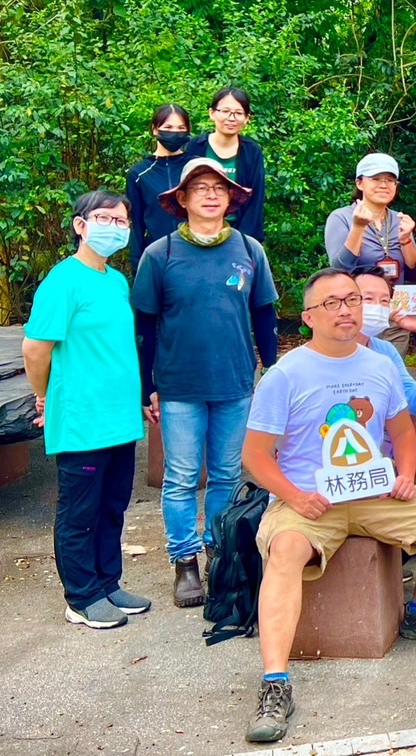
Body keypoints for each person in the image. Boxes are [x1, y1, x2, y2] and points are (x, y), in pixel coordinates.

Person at [242, 269, 416, 745]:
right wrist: (294, 496)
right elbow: (255, 456)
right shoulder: (285, 375)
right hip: (309, 497)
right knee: (284, 552)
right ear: (307, 317)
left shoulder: (380, 364)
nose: (346, 309)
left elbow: (403, 433)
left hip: (373, 490)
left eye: (352, 300)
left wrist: (406, 474)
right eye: (331, 303)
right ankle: (275, 683)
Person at [132, 157, 279, 607]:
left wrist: (271, 370)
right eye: (200, 188)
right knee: (179, 478)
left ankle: (220, 553)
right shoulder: (160, 254)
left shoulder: (250, 250)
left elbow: (264, 316)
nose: (211, 194)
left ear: (232, 199)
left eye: (219, 187)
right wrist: (146, 387)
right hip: (179, 387)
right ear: (182, 199)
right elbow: (145, 326)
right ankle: (185, 563)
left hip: (235, 382)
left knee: (226, 476)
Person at [23, 191, 152, 629]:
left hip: (119, 418)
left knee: (112, 506)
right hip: (82, 420)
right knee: (80, 512)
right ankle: (81, 597)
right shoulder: (63, 281)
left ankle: (107, 582)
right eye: (104, 218)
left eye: (122, 220)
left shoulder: (116, 281)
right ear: (80, 225)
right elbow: (36, 348)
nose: (114, 227)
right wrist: (44, 395)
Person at [349, 268, 416, 504]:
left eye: (384, 300)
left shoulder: (385, 351)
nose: (376, 306)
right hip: (344, 466)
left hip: (388, 460)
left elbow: (414, 403)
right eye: (368, 299)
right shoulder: (322, 355)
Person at [324, 154, 416, 354]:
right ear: (360, 183)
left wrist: (406, 239)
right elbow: (339, 270)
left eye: (390, 180)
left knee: (391, 375)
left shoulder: (400, 219)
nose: (383, 185)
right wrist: (358, 227)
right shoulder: (341, 217)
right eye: (376, 179)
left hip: (395, 317)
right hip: (356, 315)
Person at [186, 87, 266, 243]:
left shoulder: (252, 151)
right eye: (225, 111)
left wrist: (244, 241)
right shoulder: (195, 147)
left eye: (238, 113)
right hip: (198, 230)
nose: (231, 118)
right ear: (212, 113)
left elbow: (256, 199)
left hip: (239, 231)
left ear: (247, 118)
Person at [126, 104, 193, 269]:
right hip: (157, 257)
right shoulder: (139, 173)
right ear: (155, 129)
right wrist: (138, 264)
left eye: (180, 128)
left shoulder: (197, 166)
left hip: (196, 253)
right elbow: (136, 223)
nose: (174, 133)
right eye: (168, 127)